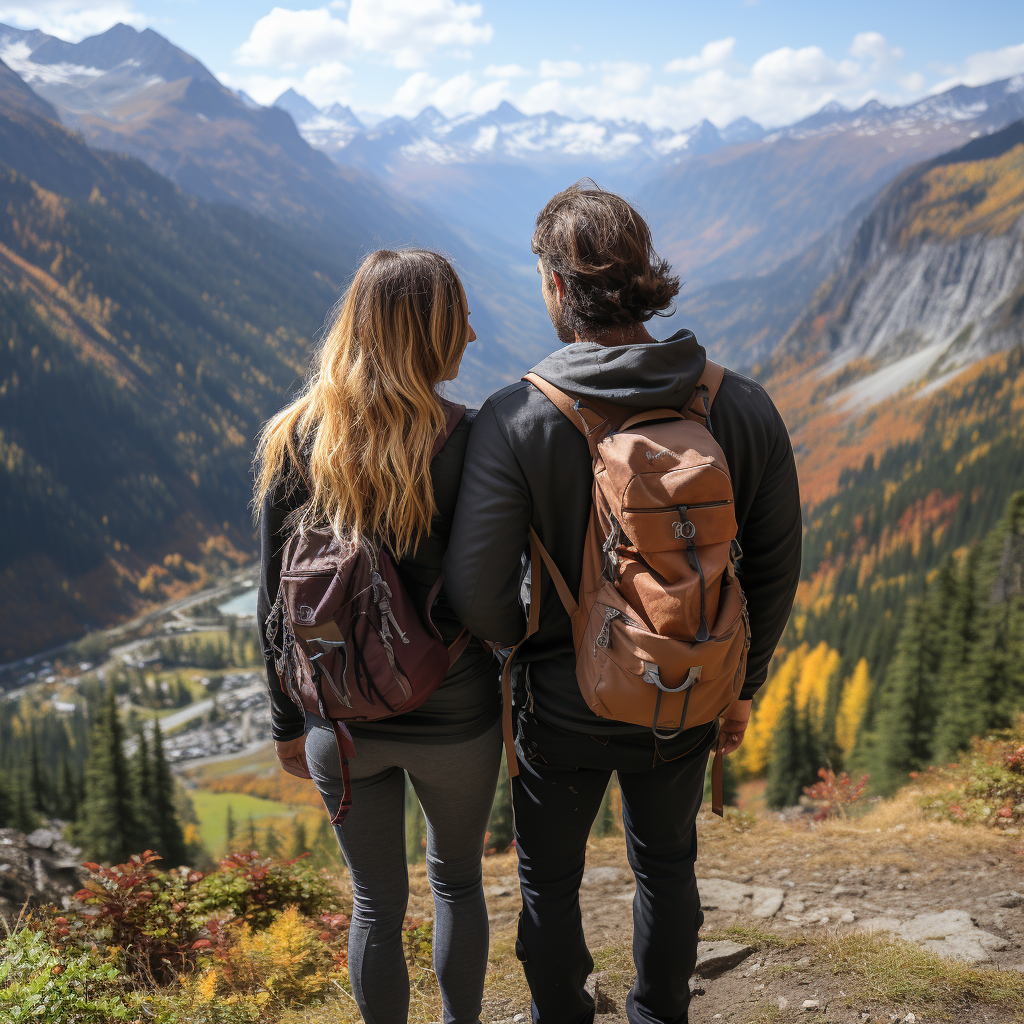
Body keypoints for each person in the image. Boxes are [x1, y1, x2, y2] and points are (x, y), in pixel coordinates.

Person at [443, 184, 802, 1024]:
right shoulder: (737, 404)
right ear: (644, 278)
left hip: (563, 700)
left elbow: (477, 587)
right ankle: (656, 1015)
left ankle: (563, 1014)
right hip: (686, 690)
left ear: (559, 288)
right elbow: (775, 567)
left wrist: (527, 649)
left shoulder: (518, 417)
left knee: (549, 881)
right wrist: (739, 683)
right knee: (668, 867)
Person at [254, 249, 502, 1024]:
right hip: (456, 712)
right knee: (457, 880)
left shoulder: (295, 438)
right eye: (458, 316)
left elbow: (271, 600)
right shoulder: (471, 439)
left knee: (373, 903)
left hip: (342, 721)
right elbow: (484, 592)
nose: (471, 332)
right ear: (427, 334)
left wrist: (288, 724)